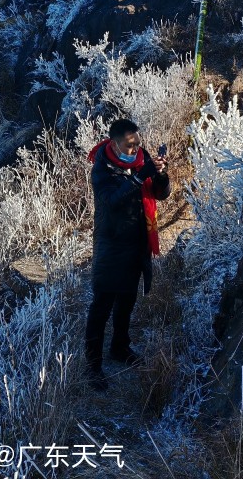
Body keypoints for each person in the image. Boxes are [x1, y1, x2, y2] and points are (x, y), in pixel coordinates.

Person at [84, 118, 170, 391]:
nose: (134, 151)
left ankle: (120, 348)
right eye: (129, 146)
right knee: (102, 305)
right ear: (113, 143)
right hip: (111, 244)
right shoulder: (101, 168)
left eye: (137, 145)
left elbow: (161, 194)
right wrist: (138, 175)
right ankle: (92, 364)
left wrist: (159, 175)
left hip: (136, 242)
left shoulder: (141, 160)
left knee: (127, 301)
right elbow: (111, 201)